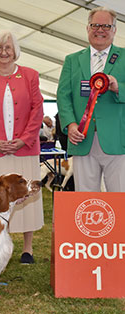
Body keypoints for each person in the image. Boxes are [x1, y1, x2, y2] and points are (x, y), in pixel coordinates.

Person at [0, 30, 44, 264]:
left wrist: (24, 139)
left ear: (15, 51)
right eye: (0, 48)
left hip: (24, 149)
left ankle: (27, 249)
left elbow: (37, 110)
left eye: (8, 48)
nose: (4, 52)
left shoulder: (31, 75)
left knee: (26, 196)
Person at [57, 6, 125, 192]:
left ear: (114, 30)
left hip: (118, 140)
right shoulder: (72, 60)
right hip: (82, 139)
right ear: (87, 28)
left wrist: (118, 87)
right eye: (95, 25)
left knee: (120, 198)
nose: (100, 30)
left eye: (106, 26)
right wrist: (70, 125)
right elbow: (63, 96)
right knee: (85, 199)